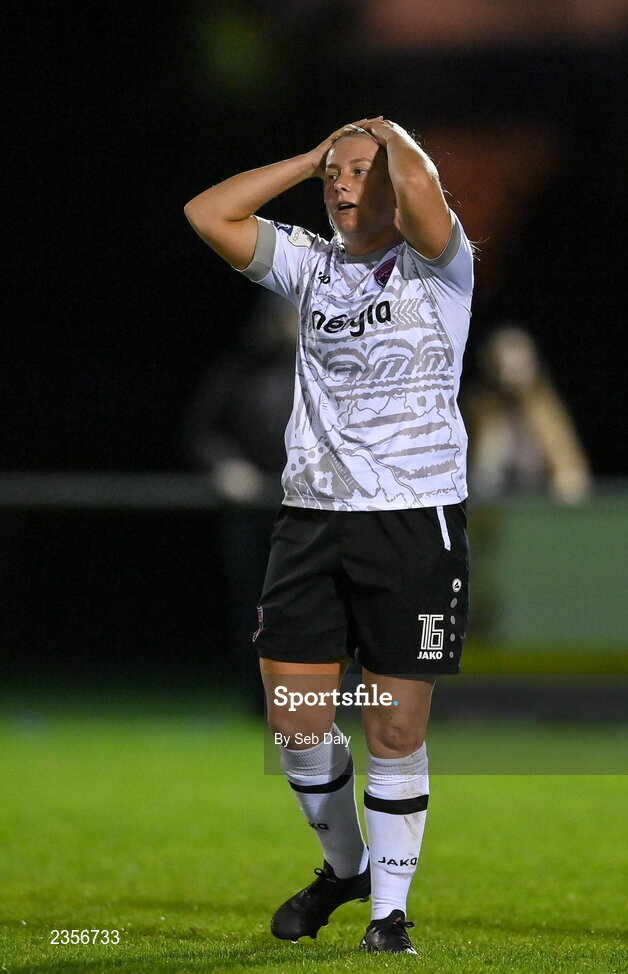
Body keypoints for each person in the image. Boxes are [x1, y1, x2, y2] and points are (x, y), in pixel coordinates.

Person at [184, 116, 474, 954]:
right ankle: (344, 868)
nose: (342, 186)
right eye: (331, 178)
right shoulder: (312, 268)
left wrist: (389, 135)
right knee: (297, 720)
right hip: (313, 519)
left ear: (399, 182)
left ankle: (389, 914)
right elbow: (208, 214)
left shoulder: (438, 267)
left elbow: (421, 188)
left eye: (359, 173)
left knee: (391, 726)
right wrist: (314, 158)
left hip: (414, 521)